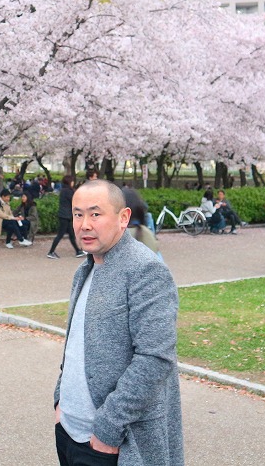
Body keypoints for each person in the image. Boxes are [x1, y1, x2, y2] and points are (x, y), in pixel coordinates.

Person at [54, 180, 182, 466]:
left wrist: (108, 429)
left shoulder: (145, 270)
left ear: (123, 218)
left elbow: (155, 358)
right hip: (69, 431)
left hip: (110, 443)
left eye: (95, 214)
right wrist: (60, 399)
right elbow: (76, 345)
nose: (84, 224)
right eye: (77, 215)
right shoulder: (85, 268)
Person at [47, 175, 83, 259]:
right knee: (60, 235)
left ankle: (78, 251)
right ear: (69, 182)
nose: (73, 182)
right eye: (72, 181)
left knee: (71, 235)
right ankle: (51, 252)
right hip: (65, 216)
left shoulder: (64, 190)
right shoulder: (68, 191)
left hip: (65, 215)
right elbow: (75, 201)